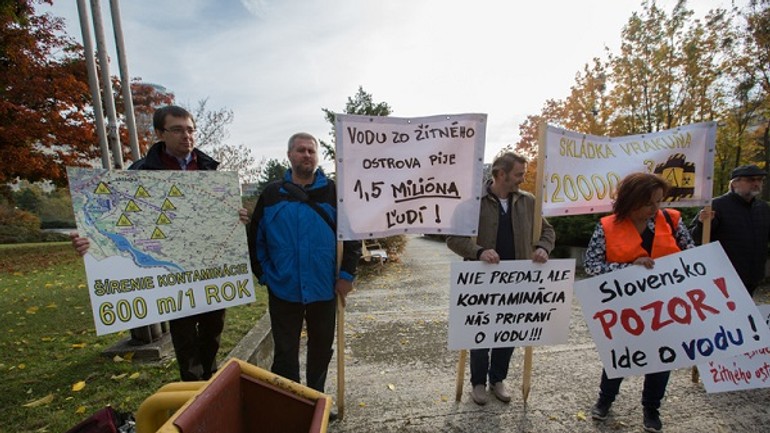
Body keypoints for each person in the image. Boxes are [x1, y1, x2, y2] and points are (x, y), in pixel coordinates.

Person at [71, 105, 249, 381]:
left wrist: (236, 216)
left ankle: (211, 378)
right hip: (171, 269)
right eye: (177, 130)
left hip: (210, 264)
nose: (186, 136)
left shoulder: (210, 170)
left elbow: (222, 214)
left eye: (190, 130)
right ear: (159, 133)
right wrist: (90, 239)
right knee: (184, 331)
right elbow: (119, 221)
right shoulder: (138, 173)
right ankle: (192, 385)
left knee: (214, 326)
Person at [247, 132, 360, 418]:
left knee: (321, 349)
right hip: (283, 289)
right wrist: (264, 275)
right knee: (285, 352)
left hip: (324, 288)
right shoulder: (272, 194)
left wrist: (346, 274)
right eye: (301, 150)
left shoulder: (335, 193)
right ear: (289, 155)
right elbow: (255, 238)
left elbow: (352, 237)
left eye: (311, 150)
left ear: (317, 156)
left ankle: (316, 403)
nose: (306, 155)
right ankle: (290, 403)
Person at [584, 172, 695, 433]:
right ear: (632, 201)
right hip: (624, 307)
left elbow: (691, 255)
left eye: (659, 201)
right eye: (649, 203)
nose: (655, 208)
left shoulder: (671, 220)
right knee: (619, 356)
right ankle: (605, 400)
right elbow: (591, 265)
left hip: (666, 307)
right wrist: (628, 268)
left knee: (661, 358)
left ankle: (651, 409)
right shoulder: (607, 226)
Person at [446, 152, 555, 405]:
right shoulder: (471, 204)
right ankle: (477, 384)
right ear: (501, 174)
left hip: (517, 280)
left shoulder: (528, 202)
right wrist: (479, 251)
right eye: (519, 174)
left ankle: (498, 379)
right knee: (480, 332)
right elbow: (453, 239)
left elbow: (547, 232)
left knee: (509, 331)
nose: (523, 178)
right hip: (481, 281)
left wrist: (543, 248)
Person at [690, 164, 770, 296]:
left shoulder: (763, 208)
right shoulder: (716, 206)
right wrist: (701, 223)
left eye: (759, 179)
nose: (756, 183)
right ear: (734, 183)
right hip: (723, 278)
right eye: (750, 180)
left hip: (754, 277)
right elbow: (695, 238)